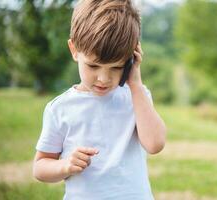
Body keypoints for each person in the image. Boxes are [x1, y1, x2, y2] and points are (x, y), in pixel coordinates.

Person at [32, 0, 166, 199]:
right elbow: (40, 168)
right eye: (93, 66)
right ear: (74, 50)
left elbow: (155, 144)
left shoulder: (137, 97)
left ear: (132, 59)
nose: (104, 79)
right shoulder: (60, 108)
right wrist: (65, 165)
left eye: (116, 67)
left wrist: (135, 83)